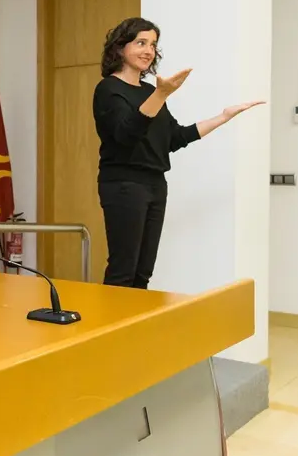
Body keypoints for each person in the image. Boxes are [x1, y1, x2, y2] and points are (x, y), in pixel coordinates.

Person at [92, 17, 263, 289]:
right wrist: (161, 94)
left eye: (153, 44)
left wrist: (224, 116)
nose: (149, 50)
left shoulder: (150, 91)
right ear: (120, 47)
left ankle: (139, 330)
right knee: (123, 271)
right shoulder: (109, 89)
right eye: (141, 43)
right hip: (124, 185)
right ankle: (114, 330)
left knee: (142, 273)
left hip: (155, 184)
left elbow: (175, 137)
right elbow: (125, 135)